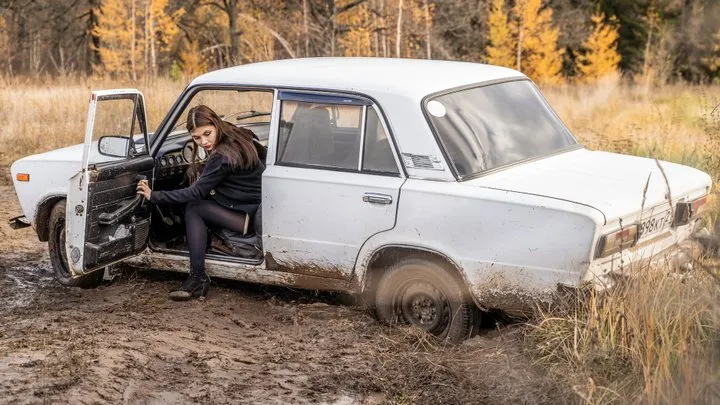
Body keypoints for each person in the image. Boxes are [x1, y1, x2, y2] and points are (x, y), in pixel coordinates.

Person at [136, 105, 264, 301]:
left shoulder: (222, 156)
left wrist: (154, 195)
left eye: (207, 134)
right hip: (255, 205)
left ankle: (197, 278)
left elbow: (195, 192)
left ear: (215, 124)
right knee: (199, 201)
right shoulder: (239, 134)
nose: (204, 142)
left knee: (194, 208)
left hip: (245, 216)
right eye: (196, 138)